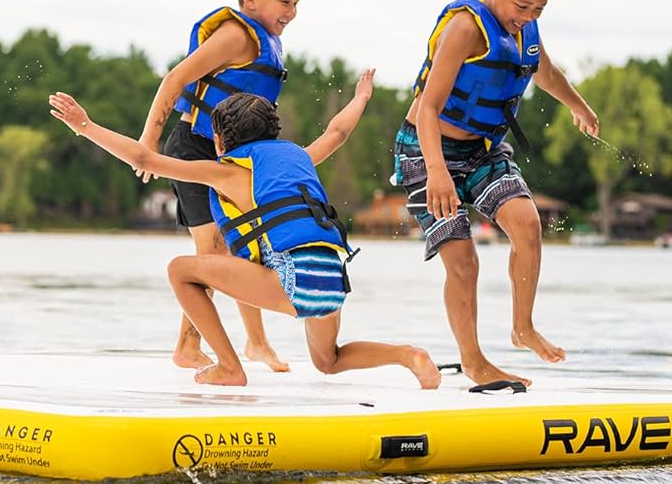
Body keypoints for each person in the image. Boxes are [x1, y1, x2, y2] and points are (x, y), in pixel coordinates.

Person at [50, 78, 441, 389]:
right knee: (329, 360)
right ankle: (408, 355)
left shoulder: (228, 171)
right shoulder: (300, 157)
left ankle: (229, 366)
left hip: (293, 279)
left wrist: (84, 126)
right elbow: (337, 132)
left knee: (180, 270)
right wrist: (361, 97)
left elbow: (143, 158)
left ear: (220, 141)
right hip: (332, 280)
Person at [393, 0, 598, 388]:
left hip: (483, 150)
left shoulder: (525, 29)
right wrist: (438, 172)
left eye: (539, 9)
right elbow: (428, 109)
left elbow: (546, 73)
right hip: (427, 150)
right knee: (464, 262)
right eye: (522, 6)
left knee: (527, 224)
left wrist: (578, 105)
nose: (528, 16)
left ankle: (522, 328)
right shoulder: (466, 28)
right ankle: (474, 361)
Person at [133, 0, 305, 373]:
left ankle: (256, 342)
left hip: (231, 157)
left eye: (297, 3)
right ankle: (188, 346)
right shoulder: (234, 36)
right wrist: (148, 142)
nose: (292, 12)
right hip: (194, 146)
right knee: (211, 249)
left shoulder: (266, 43)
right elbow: (175, 79)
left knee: (245, 246)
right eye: (285, 1)